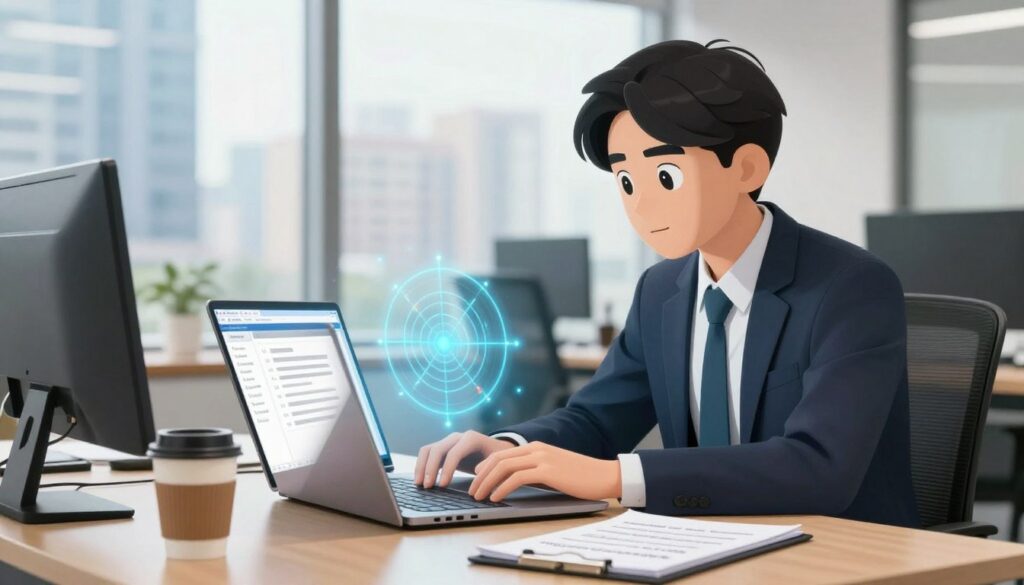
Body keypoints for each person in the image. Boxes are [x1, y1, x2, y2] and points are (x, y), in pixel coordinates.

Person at [414, 39, 919, 527]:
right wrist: (510, 448)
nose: (642, 205)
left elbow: (820, 467)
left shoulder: (850, 287)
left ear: (746, 167)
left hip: (838, 553)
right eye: (626, 181)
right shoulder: (661, 290)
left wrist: (616, 477)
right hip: (703, 542)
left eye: (666, 177)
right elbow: (597, 420)